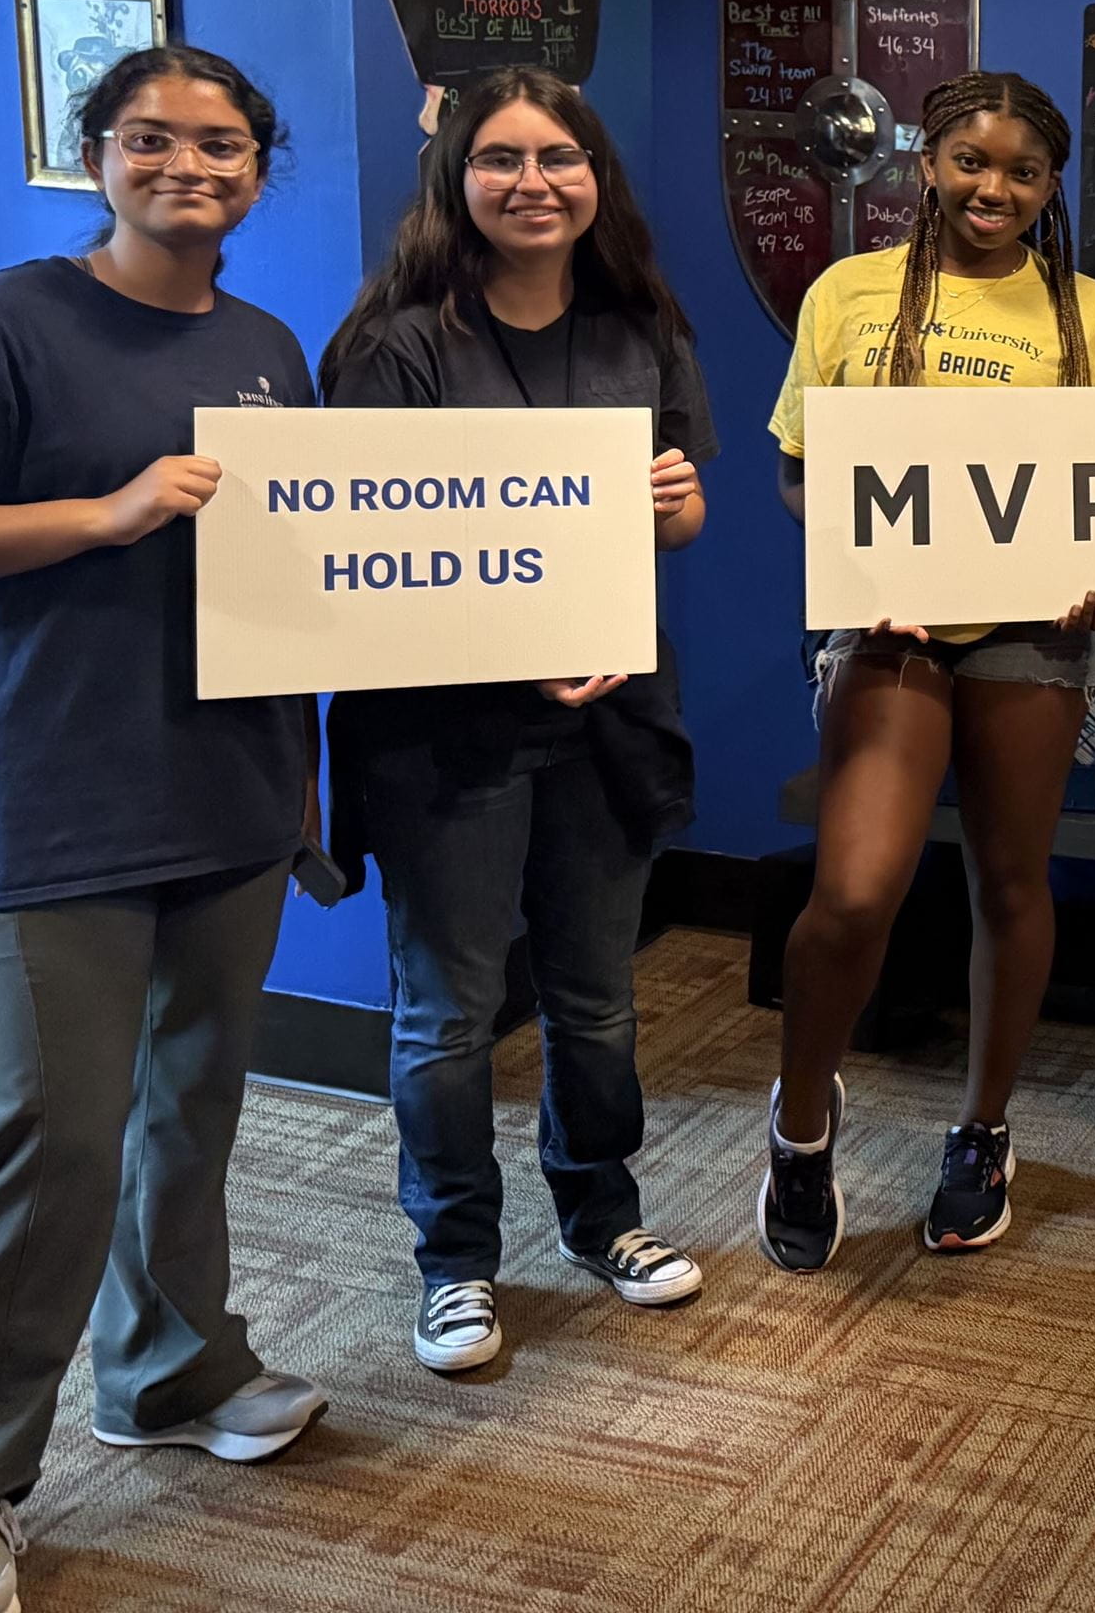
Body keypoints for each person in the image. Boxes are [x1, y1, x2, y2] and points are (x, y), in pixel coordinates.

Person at [0, 46, 326, 1613]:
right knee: (52, 1139)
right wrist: (110, 512)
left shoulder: (267, 347)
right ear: (97, 157)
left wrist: (304, 776)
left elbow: (306, 565)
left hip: (226, 792)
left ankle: (169, 1370)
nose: (186, 166)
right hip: (47, 801)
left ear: (257, 173)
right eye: (150, 138)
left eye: (220, 145)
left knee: (190, 1108)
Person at [319, 66, 715, 1374]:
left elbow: (680, 517)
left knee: (596, 1000)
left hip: (608, 716)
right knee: (448, 1010)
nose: (533, 182)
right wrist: (513, 647)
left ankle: (603, 1218)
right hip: (442, 730)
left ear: (595, 176)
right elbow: (366, 550)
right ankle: (455, 1264)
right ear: (458, 178)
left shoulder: (639, 323)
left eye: (560, 157)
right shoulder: (395, 344)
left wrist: (672, 509)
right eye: (501, 158)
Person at [761, 70, 1095, 1273]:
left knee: (1011, 883)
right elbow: (799, 471)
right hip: (890, 624)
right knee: (855, 890)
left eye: (1023, 171)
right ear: (925, 163)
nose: (994, 188)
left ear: (1049, 187)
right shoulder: (847, 292)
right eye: (971, 161)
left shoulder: (1091, 313)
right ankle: (800, 1123)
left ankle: (982, 1133)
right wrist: (857, 562)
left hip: (1032, 628)